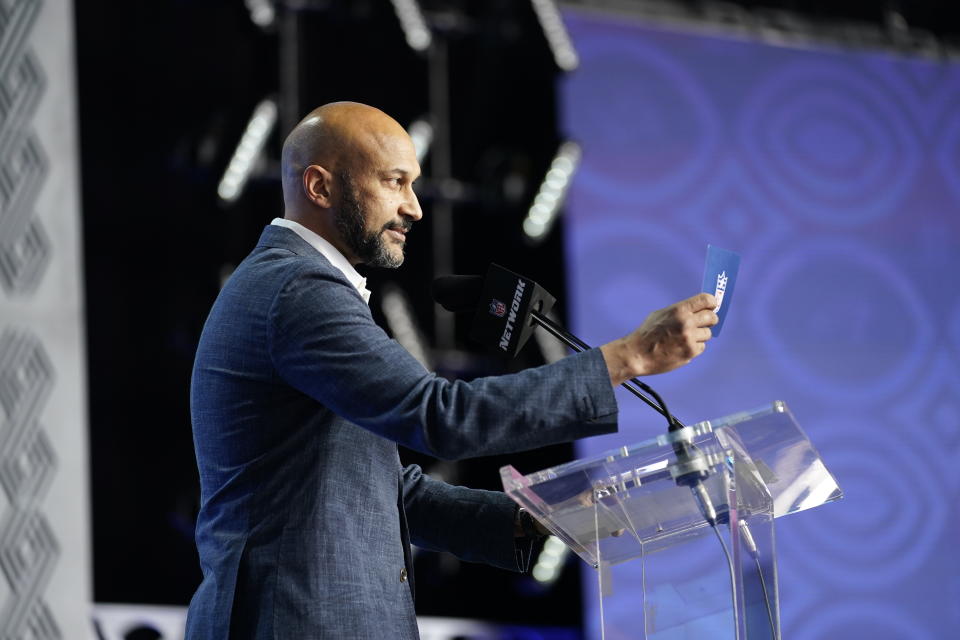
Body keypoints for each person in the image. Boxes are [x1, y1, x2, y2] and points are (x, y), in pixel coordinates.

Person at [185, 102, 718, 639]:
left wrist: (532, 518)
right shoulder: (299, 291)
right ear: (320, 187)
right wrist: (629, 357)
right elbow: (442, 418)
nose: (414, 207)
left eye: (413, 184)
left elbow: (384, 491)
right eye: (395, 182)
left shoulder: (295, 287)